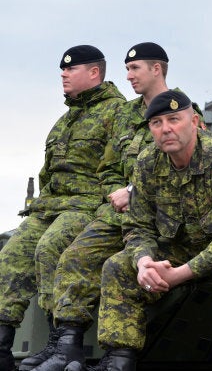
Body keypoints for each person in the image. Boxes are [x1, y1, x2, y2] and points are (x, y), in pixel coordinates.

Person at [23, 43, 191, 371]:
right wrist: (116, 189)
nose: (127, 76)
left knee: (114, 266)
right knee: (73, 255)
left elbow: (185, 165)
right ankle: (65, 347)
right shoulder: (126, 115)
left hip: (160, 216)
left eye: (134, 69)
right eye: (126, 69)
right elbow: (108, 166)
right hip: (117, 214)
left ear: (156, 69)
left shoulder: (180, 111)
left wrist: (135, 191)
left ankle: (109, 355)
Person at [91, 91, 212, 371]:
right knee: (118, 266)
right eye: (157, 123)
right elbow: (137, 226)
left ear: (194, 121)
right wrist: (144, 262)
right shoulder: (147, 163)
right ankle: (119, 359)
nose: (166, 128)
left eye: (174, 119)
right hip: (185, 241)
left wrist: (178, 275)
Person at [0, 45, 125, 371]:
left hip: (87, 206)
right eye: (62, 70)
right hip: (51, 206)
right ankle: (1, 343)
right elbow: (48, 174)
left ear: (94, 72)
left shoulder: (117, 113)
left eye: (70, 69)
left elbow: (121, 168)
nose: (63, 75)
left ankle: (60, 346)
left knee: (50, 246)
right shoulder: (65, 121)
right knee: (11, 255)